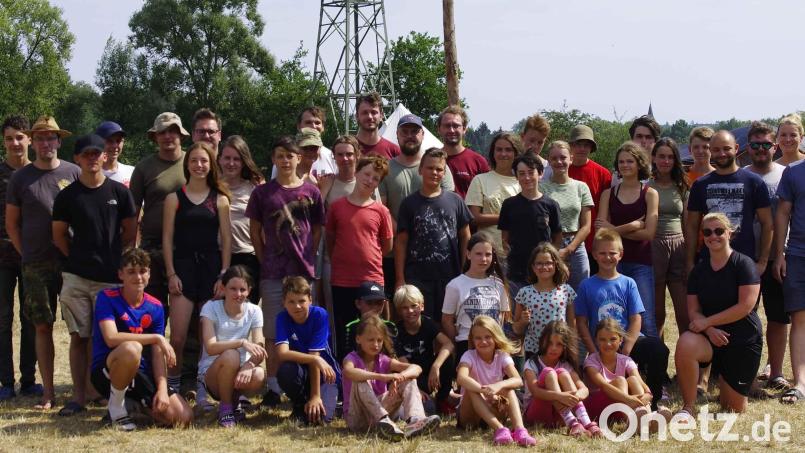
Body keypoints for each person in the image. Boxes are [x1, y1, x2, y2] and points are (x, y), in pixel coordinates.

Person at [52, 134, 137, 416]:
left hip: (110, 278)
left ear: (104, 156)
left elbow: (130, 231)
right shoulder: (67, 196)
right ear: (77, 159)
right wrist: (77, 258)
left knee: (108, 339)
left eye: (96, 153)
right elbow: (59, 236)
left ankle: (105, 394)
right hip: (76, 277)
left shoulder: (119, 193)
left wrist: (112, 256)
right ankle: (78, 397)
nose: (92, 158)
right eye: (86, 154)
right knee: (79, 338)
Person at [5, 116, 80, 409]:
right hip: (36, 264)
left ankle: (80, 391)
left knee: (78, 328)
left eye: (51, 138)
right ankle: (47, 392)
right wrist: (26, 254)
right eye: (40, 138)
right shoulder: (21, 178)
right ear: (32, 142)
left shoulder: (74, 173)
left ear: (59, 141)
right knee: (42, 327)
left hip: (71, 262)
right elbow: (12, 224)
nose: (45, 143)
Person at [246, 136, 324, 406]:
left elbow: (317, 228)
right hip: (273, 270)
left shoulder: (311, 193)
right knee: (272, 330)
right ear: (273, 159)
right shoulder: (263, 193)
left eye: (290, 155)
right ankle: (273, 386)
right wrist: (262, 256)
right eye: (280, 156)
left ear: (299, 158)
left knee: (304, 324)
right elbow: (254, 230)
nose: (285, 160)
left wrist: (307, 253)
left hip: (302, 270)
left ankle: (300, 381)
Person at [90, 248, 193, 430]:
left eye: (143, 271)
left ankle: (135, 408)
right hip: (107, 371)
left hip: (141, 373)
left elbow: (156, 355)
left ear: (149, 274)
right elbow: (111, 338)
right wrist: (156, 337)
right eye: (131, 272)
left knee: (182, 417)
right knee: (132, 348)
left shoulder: (156, 306)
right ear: (121, 274)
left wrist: (162, 388)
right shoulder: (106, 297)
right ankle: (116, 407)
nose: (138, 277)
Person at [675, 213, 762, 416]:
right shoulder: (699, 270)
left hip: (742, 339)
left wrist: (708, 322)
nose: (713, 236)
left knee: (732, 409)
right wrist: (709, 328)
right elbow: (693, 311)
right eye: (707, 232)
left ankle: (728, 385)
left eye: (719, 231)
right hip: (710, 338)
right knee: (686, 342)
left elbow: (745, 306)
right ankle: (688, 407)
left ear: (729, 233)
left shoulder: (744, 264)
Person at [162, 142, 232, 392]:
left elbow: (225, 240)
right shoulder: (174, 198)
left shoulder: (220, 200)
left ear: (211, 165)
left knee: (207, 339)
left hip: (211, 270)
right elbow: (167, 239)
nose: (199, 165)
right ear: (187, 164)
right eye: (194, 160)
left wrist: (224, 274)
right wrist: (171, 273)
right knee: (178, 338)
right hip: (182, 269)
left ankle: (204, 387)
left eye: (204, 161)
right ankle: (173, 386)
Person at [574, 228, 669, 411]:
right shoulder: (587, 285)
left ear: (621, 255)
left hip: (627, 345)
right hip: (602, 346)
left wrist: (626, 349)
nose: (607, 257)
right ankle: (625, 402)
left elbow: (635, 318)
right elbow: (581, 323)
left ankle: (653, 401)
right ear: (594, 254)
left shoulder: (628, 283)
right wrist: (594, 351)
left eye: (612, 253)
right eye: (602, 253)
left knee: (658, 350)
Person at [326, 156, 393, 358]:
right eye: (366, 174)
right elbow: (330, 240)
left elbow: (387, 245)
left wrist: (368, 258)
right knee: (345, 330)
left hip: (371, 278)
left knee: (374, 332)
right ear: (356, 172)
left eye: (375, 178)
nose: (369, 180)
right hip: (343, 280)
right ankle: (345, 378)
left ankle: (377, 378)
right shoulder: (337, 207)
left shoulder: (381, 211)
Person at [379, 115, 455, 293]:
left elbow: (447, 206)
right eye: (405, 132)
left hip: (432, 254)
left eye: (414, 132)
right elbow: (382, 207)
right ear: (397, 134)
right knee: (398, 304)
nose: (410, 136)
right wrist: (401, 231)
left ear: (422, 134)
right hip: (395, 252)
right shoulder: (386, 169)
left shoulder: (438, 166)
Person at [395, 148, 469, 319]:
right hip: (417, 277)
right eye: (430, 168)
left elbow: (466, 236)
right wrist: (400, 278)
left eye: (439, 169)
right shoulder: (409, 203)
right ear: (420, 170)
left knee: (449, 321)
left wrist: (465, 271)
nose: (434, 172)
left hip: (450, 276)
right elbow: (401, 242)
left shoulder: (455, 201)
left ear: (444, 172)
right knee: (422, 324)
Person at [685, 130, 772, 276]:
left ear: (736, 148)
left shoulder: (754, 182)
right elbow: (692, 226)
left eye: (727, 148)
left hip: (745, 261)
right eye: (717, 149)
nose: (722, 153)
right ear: (711, 151)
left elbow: (768, 224)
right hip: (709, 262)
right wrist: (689, 263)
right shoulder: (700, 185)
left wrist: (762, 262)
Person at [743, 122, 789, 390]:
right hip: (745, 258)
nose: (761, 149)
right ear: (747, 147)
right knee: (746, 315)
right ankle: (743, 369)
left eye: (766, 144)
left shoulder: (787, 175)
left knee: (778, 317)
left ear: (776, 146)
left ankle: (775, 370)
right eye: (755, 144)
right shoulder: (740, 175)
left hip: (777, 256)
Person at [342, 315, 441, 440]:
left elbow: (416, 368)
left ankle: (415, 421)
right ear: (358, 339)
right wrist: (383, 377)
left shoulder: (383, 359)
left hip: (380, 414)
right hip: (358, 419)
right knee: (360, 380)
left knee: (409, 379)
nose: (376, 344)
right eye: (371, 340)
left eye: (379, 340)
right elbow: (349, 372)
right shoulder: (351, 358)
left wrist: (400, 377)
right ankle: (383, 421)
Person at [597, 141, 660, 338]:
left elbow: (649, 234)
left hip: (641, 262)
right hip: (613, 263)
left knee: (646, 318)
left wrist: (613, 230)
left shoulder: (650, 194)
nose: (625, 165)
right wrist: (632, 226)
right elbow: (601, 232)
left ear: (639, 163)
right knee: (614, 318)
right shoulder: (609, 193)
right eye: (621, 161)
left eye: (630, 161)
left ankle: (653, 367)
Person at [130, 112, 189, 308]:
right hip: (152, 247)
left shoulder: (195, 163)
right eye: (162, 132)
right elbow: (133, 212)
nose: (167, 136)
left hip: (185, 246)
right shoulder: (143, 168)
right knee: (152, 308)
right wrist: (131, 250)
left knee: (187, 308)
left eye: (172, 131)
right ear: (155, 137)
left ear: (181, 135)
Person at [0, 115, 40, 400]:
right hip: (1, 259)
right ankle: (5, 382)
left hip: (33, 257)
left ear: (29, 139)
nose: (15, 143)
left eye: (19, 137)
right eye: (9, 138)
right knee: (3, 320)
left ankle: (28, 380)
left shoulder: (38, 173)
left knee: (31, 320)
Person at [198, 265, 266, 428]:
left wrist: (249, 365)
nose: (238, 294)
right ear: (223, 288)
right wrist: (241, 342)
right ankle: (226, 408)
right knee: (231, 355)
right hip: (213, 374)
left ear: (249, 290)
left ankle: (235, 403)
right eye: (233, 289)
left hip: (239, 371)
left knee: (258, 375)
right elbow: (210, 347)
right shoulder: (210, 308)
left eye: (242, 289)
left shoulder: (255, 310)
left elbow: (259, 347)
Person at [456, 315, 536, 447]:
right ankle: (499, 429)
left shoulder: (502, 356)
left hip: (494, 409)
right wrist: (485, 390)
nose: (483, 341)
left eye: (488, 337)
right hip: (470, 416)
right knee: (471, 389)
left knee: (508, 388)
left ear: (496, 337)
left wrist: (498, 385)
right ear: (472, 339)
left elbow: (518, 380)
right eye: (478, 338)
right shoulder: (469, 355)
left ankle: (520, 430)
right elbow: (461, 378)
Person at [275, 276, 340, 424]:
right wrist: (316, 359)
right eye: (291, 301)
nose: (297, 306)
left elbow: (314, 355)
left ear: (310, 299)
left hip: (325, 373)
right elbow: (282, 354)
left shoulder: (319, 315)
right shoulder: (282, 318)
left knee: (322, 419)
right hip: (304, 369)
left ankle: (331, 402)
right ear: (283, 302)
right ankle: (300, 405)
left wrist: (316, 395)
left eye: (301, 301)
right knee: (286, 370)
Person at [584, 318, 670, 426]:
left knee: (633, 380)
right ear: (596, 340)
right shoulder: (591, 361)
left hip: (622, 404)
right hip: (597, 407)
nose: (608, 344)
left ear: (620, 340)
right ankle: (632, 421)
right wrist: (628, 399)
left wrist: (647, 394)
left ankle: (647, 417)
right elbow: (603, 385)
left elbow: (640, 381)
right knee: (620, 381)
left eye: (613, 339)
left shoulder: (626, 360)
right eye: (602, 339)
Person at [498, 152, 562, 295]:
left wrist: (550, 259)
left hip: (543, 271)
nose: (526, 177)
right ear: (517, 177)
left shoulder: (551, 205)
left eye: (530, 172)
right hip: (516, 270)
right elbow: (505, 238)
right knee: (518, 314)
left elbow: (557, 237)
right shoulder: (509, 204)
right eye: (521, 173)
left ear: (540, 174)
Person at [441, 232, 510, 366]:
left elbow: (502, 314)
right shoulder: (455, 285)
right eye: (478, 254)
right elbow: (447, 320)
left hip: (494, 343)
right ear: (468, 254)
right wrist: (457, 343)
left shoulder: (499, 284)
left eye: (488, 254)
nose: (483, 259)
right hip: (466, 344)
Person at [522, 320, 599, 437]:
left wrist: (575, 396)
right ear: (543, 342)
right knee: (549, 372)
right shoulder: (531, 363)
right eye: (550, 343)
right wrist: (560, 396)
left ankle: (586, 423)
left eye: (559, 344)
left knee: (563, 373)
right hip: (536, 416)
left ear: (565, 346)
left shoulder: (565, 364)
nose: (553, 348)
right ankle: (572, 423)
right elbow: (535, 392)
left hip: (559, 418)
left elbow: (584, 389)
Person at [648, 138, 690, 338]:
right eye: (661, 156)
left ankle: (686, 361)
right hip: (653, 246)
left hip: (679, 246)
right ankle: (658, 361)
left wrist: (689, 256)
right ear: (653, 158)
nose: (665, 161)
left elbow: (688, 222)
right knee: (656, 312)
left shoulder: (682, 185)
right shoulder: (646, 186)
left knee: (684, 312)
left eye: (670, 157)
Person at [393, 284, 455, 415]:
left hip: (429, 373)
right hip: (411, 377)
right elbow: (405, 367)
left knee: (447, 357)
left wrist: (436, 366)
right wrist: (415, 389)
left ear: (422, 306)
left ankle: (443, 398)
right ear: (398, 310)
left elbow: (448, 344)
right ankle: (418, 401)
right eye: (405, 307)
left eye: (413, 306)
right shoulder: (396, 332)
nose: (410, 311)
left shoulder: (427, 323)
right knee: (429, 409)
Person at [773, 154, 805, 404]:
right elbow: (782, 213)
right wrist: (779, 254)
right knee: (800, 318)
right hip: (797, 254)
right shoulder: (792, 173)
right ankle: (800, 383)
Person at [541, 141, 594, 290]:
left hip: (576, 246)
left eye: (563, 157)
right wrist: (554, 249)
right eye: (554, 158)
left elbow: (586, 225)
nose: (559, 162)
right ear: (549, 160)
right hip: (549, 245)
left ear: (571, 158)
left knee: (580, 292)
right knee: (552, 292)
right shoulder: (541, 187)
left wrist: (569, 249)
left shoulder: (581, 187)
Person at [218, 135, 264, 305]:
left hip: (247, 257)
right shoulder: (211, 187)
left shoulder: (254, 189)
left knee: (243, 314)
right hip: (218, 255)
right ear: (219, 159)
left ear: (244, 161)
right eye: (227, 158)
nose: (231, 163)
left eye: (236, 159)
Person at [512, 243, 576, 357]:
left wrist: (573, 351)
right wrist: (522, 321)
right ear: (533, 267)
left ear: (555, 265)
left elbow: (571, 325)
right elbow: (517, 330)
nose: (544, 267)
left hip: (560, 350)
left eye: (548, 263)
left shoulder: (566, 290)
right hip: (534, 351)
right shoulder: (524, 293)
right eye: (539, 263)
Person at [466, 132, 521, 256]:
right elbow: (473, 218)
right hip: (488, 253)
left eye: (508, 150)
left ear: (516, 153)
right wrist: (508, 217)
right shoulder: (480, 180)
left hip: (517, 252)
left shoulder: (523, 181)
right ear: (493, 152)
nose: (503, 154)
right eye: (499, 149)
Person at [567, 125, 612, 274]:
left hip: (594, 240)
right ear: (571, 146)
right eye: (577, 144)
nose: (582, 149)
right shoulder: (561, 169)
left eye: (586, 145)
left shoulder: (603, 174)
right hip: (565, 240)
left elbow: (607, 209)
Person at [270, 107, 337, 180]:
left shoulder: (332, 156)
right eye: (308, 122)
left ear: (323, 127)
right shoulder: (286, 157)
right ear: (298, 126)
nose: (313, 126)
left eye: (317, 123)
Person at [438, 105, 489, 198]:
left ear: (464, 129)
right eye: (447, 126)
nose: (451, 130)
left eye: (456, 126)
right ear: (439, 129)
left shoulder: (478, 162)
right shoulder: (430, 160)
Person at [342, 281, 398, 357]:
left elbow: (394, 355)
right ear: (358, 304)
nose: (374, 307)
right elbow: (347, 357)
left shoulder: (390, 326)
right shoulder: (350, 327)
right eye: (369, 302)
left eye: (379, 303)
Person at [354, 92, 401, 160]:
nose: (370, 117)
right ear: (357, 116)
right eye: (365, 112)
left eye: (374, 112)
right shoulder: (346, 150)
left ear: (381, 115)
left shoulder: (394, 151)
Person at [96, 121, 134, 187]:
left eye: (118, 141)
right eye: (109, 141)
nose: (115, 145)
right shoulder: (89, 174)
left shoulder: (132, 172)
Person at [519, 113, 553, 180]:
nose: (535, 146)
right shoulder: (510, 166)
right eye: (531, 140)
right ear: (522, 137)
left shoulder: (549, 169)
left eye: (540, 142)